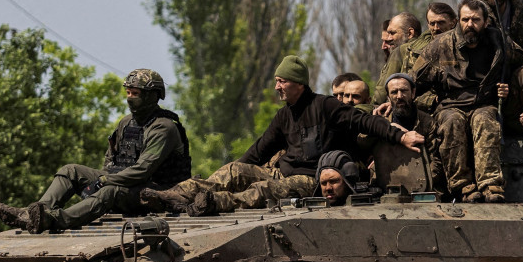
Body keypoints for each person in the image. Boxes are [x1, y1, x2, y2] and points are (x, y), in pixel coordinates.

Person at [141, 55, 423, 215]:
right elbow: (258, 152)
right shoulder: (284, 115)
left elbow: (365, 122)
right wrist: (237, 169)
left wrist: (402, 136)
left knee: (261, 191)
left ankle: (210, 204)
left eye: (281, 81)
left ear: (298, 84)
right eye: (277, 80)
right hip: (283, 173)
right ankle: (169, 196)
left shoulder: (325, 106)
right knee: (233, 171)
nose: (277, 86)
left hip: (310, 179)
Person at [0, 69, 191, 233]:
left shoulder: (163, 127)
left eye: (135, 93)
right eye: (128, 92)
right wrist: (103, 177)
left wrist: (105, 181)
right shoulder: (126, 123)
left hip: (157, 192)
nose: (130, 98)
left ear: (152, 95)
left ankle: (53, 220)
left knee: (110, 190)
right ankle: (36, 213)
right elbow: (110, 160)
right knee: (71, 170)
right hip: (127, 184)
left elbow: (142, 170)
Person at [412, 0, 523, 202]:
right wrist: (392, 100)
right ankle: (462, 186)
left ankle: (490, 184)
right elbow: (413, 82)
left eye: (475, 20)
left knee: (485, 121)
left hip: (484, 104)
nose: (469, 25)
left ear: (486, 22)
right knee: (452, 123)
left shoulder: (499, 41)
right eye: (465, 20)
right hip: (450, 105)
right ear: (458, 21)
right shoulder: (440, 46)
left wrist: (511, 90)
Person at [373, 1, 456, 108]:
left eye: (441, 23)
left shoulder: (466, 46)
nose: (436, 28)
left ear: (453, 23)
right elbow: (403, 88)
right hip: (422, 106)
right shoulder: (411, 51)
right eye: (432, 23)